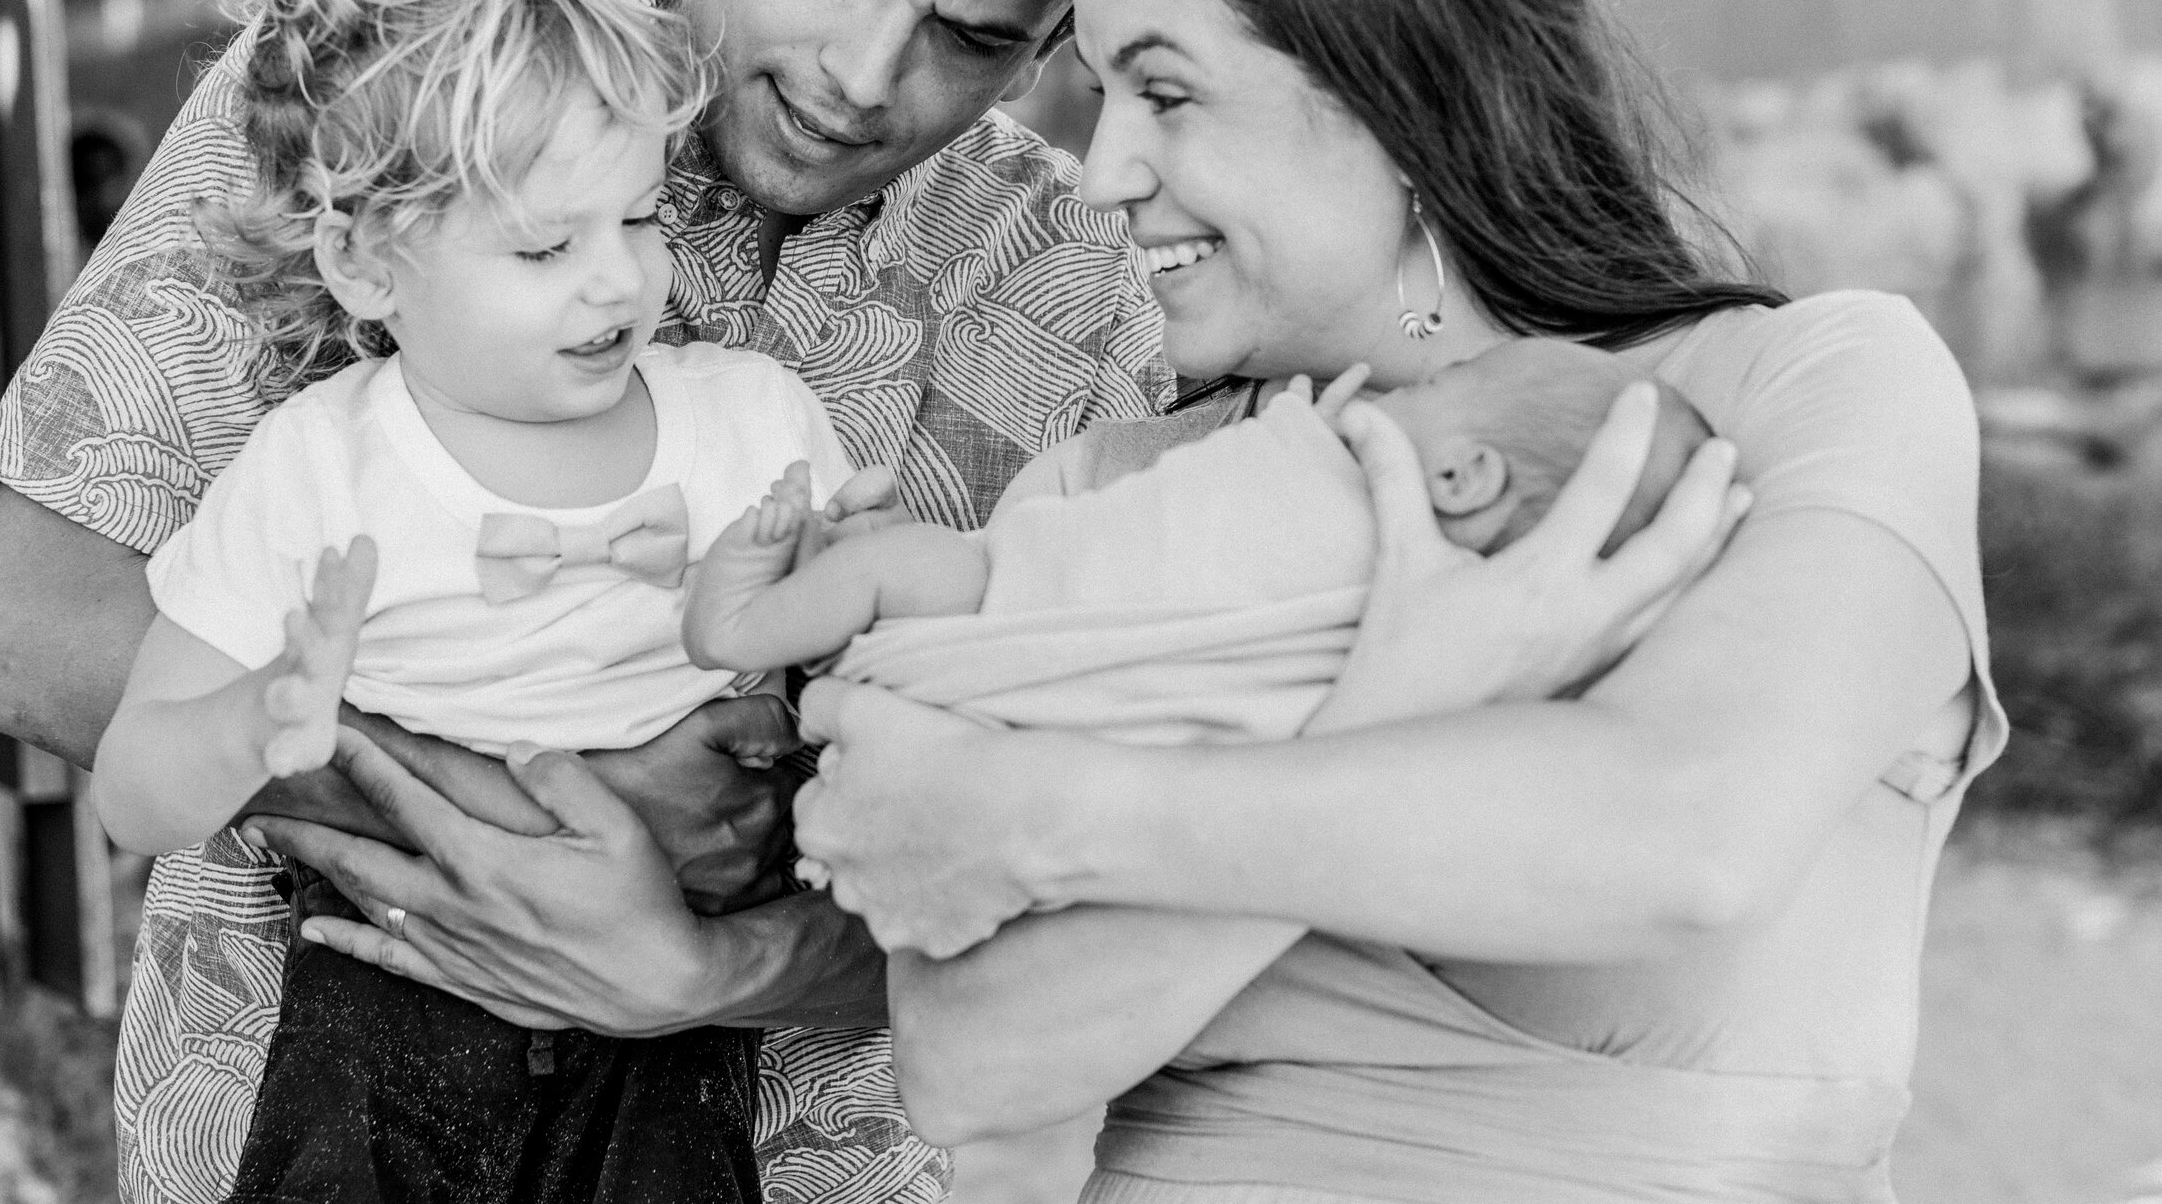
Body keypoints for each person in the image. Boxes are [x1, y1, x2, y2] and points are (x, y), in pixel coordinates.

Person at [0, 0, 1181, 1204]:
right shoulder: (370, 90)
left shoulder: (1083, 283)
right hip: (311, 1164)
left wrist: (704, 959)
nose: (868, 74)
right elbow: (25, 635)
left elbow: (1085, 885)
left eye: (975, 39)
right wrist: (550, 809)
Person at [790, 0, 2002, 1204]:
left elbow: (1685, 838)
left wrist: (1046, 815)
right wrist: (1410, 693)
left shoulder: (1806, 390)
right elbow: (973, 1057)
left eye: (1166, 91)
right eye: (1098, 95)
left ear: (1404, 90)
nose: (1103, 172)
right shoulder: (1108, 494)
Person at [93, 0, 901, 1204]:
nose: (617, 284)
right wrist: (258, 718)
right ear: (364, 262)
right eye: (544, 243)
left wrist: (825, 576)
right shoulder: (319, 469)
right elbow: (129, 789)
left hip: (666, 984)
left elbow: (862, 678)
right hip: (393, 964)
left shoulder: (746, 424)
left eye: (640, 220)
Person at [682, 343, 1713, 748]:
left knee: (884, 566)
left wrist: (1315, 429)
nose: (1394, 395)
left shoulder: (1364, 542)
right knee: (888, 551)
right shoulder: (1410, 614)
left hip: (1028, 606)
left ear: (1460, 477)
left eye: (1430, 394)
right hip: (1060, 639)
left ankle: (735, 625)